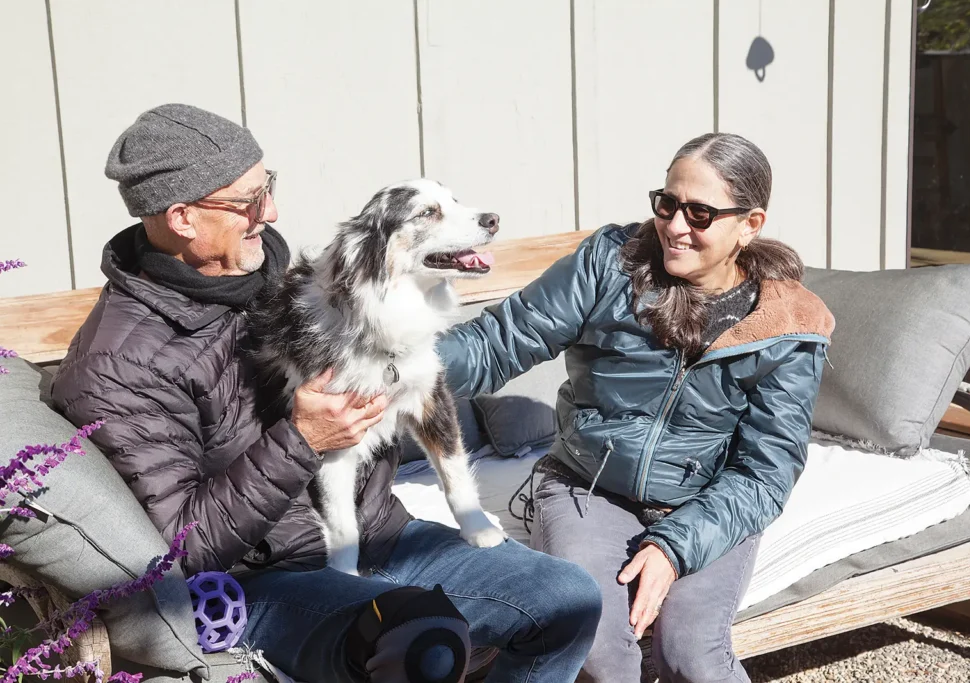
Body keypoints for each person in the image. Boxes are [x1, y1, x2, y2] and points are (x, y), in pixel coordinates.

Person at [50, 103, 601, 683]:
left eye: (269, 188)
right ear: (183, 217)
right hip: (264, 578)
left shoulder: (283, 279)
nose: (273, 212)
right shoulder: (121, 364)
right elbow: (183, 546)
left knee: (567, 600)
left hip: (381, 533)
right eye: (249, 202)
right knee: (419, 642)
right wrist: (302, 439)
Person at [439, 132, 835, 683]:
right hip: (588, 485)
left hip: (706, 503)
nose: (674, 226)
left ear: (750, 224)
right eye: (667, 204)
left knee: (690, 654)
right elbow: (502, 340)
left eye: (699, 213)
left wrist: (672, 548)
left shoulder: (788, 322)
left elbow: (767, 472)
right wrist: (393, 368)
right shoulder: (612, 264)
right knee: (597, 644)